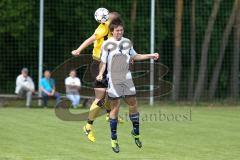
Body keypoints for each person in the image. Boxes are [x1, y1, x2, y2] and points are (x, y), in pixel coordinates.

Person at [96, 18, 159, 153]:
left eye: (121, 30)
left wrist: (151, 55)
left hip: (127, 77)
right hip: (113, 78)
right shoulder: (107, 44)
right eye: (117, 30)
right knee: (116, 107)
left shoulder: (127, 42)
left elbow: (135, 56)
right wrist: (101, 73)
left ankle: (135, 132)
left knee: (133, 104)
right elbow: (103, 62)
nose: (119, 32)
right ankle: (114, 139)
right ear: (112, 32)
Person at [71, 11, 123, 142]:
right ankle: (88, 126)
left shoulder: (115, 31)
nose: (105, 20)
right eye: (106, 18)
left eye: (108, 18)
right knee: (99, 99)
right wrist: (79, 50)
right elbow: (91, 39)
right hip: (98, 64)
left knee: (112, 92)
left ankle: (108, 113)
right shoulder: (103, 28)